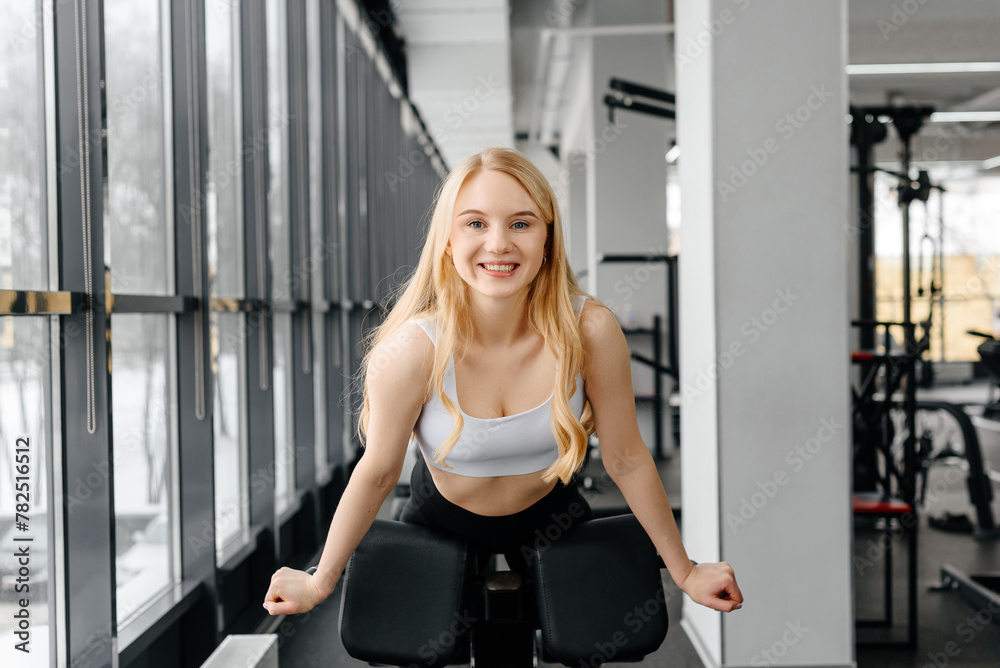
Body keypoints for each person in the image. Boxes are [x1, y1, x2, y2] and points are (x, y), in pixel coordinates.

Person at [262, 147, 743, 617]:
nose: (498, 244)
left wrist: (685, 571)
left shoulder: (591, 331)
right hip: (440, 518)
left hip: (550, 515)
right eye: (475, 223)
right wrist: (319, 579)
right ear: (448, 241)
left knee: (598, 638)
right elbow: (379, 471)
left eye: (521, 223)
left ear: (547, 239)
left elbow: (626, 457)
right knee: (409, 645)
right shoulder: (413, 348)